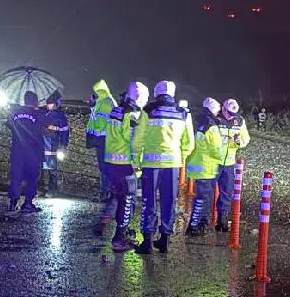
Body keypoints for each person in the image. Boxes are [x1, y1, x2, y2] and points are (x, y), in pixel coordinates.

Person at [133, 80, 193, 254]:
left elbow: (138, 139)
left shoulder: (148, 111)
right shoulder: (183, 113)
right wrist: (181, 158)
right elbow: (189, 142)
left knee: (148, 201)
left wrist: (136, 161)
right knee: (169, 202)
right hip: (173, 164)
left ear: (156, 93)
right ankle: (164, 240)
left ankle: (147, 242)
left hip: (151, 165)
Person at [95, 81, 148, 250]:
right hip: (124, 163)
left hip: (111, 161)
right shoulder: (132, 115)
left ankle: (108, 225)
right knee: (127, 199)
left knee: (117, 196)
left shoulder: (117, 109)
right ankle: (119, 238)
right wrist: (137, 164)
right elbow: (133, 141)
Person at [184, 98, 225, 236]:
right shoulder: (211, 126)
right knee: (202, 199)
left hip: (198, 165)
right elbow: (216, 148)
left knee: (201, 198)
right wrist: (222, 158)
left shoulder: (200, 122)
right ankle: (193, 227)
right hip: (206, 167)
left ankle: (199, 225)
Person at [215, 98, 251, 232]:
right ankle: (201, 222)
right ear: (223, 108)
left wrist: (238, 141)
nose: (231, 116)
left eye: (233, 113)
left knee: (226, 193)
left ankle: (222, 220)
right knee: (206, 194)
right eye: (228, 113)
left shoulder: (239, 120)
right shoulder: (215, 118)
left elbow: (245, 139)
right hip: (214, 161)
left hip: (229, 162)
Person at [6, 91, 43, 212]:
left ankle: (13, 202)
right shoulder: (37, 114)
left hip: (17, 149)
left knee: (16, 176)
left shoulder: (15, 112)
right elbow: (39, 130)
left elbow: (9, 124)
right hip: (32, 151)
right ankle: (27, 203)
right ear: (35, 102)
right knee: (32, 177)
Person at [85, 80, 117, 202]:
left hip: (103, 139)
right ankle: (106, 192)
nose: (93, 95)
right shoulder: (104, 101)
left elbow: (99, 122)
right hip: (102, 139)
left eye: (95, 92)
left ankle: (106, 193)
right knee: (104, 167)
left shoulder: (105, 103)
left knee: (104, 167)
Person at [39, 90, 70, 196]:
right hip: (42, 145)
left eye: (50, 103)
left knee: (52, 169)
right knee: (41, 168)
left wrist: (63, 145)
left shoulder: (60, 116)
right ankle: (41, 188)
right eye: (47, 103)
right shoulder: (42, 113)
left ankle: (53, 190)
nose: (48, 105)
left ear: (56, 104)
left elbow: (65, 131)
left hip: (53, 146)